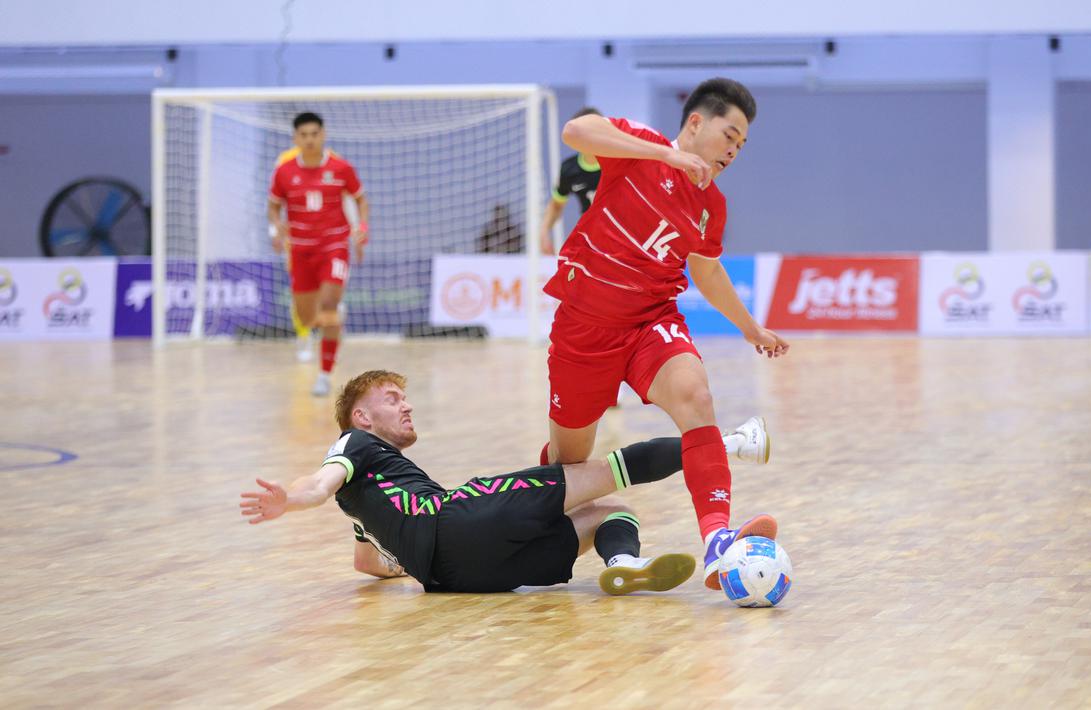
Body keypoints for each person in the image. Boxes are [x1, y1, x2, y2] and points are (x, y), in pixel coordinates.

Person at [540, 77, 790, 590]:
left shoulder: (712, 206)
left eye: (742, 145)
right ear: (696, 123)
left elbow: (707, 272)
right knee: (568, 464)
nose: (734, 150)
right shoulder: (638, 149)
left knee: (695, 395)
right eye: (730, 135)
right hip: (585, 327)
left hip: (652, 319)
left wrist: (749, 328)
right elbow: (576, 130)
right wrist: (666, 156)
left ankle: (718, 542)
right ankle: (535, 519)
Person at [240, 369, 712, 594]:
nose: (406, 405)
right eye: (392, 399)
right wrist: (293, 499)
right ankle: (725, 444)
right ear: (361, 417)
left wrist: (405, 563)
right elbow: (320, 483)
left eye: (405, 398)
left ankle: (624, 563)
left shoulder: (368, 500)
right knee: (605, 473)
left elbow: (367, 561)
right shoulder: (353, 444)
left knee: (611, 516)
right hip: (458, 519)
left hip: (458, 579)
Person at [268, 112, 369, 397]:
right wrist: (276, 228)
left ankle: (324, 375)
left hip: (333, 246)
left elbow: (361, 200)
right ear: (295, 139)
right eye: (304, 135)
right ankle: (333, 318)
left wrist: (361, 228)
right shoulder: (284, 172)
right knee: (308, 317)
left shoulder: (340, 168)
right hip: (300, 250)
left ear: (323, 135)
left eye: (315, 134)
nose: (310, 139)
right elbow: (273, 206)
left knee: (327, 306)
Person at [538, 106, 604, 256]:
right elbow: (556, 205)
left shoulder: (619, 162)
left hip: (622, 236)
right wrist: (544, 231)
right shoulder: (569, 169)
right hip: (590, 238)